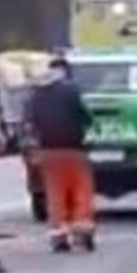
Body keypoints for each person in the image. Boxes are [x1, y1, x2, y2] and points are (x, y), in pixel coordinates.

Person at [29, 57, 95, 252]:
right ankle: (82, 232)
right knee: (81, 190)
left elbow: (31, 123)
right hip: (74, 149)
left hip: (48, 152)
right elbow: (86, 117)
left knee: (55, 193)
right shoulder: (72, 90)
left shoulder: (36, 96)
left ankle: (59, 235)